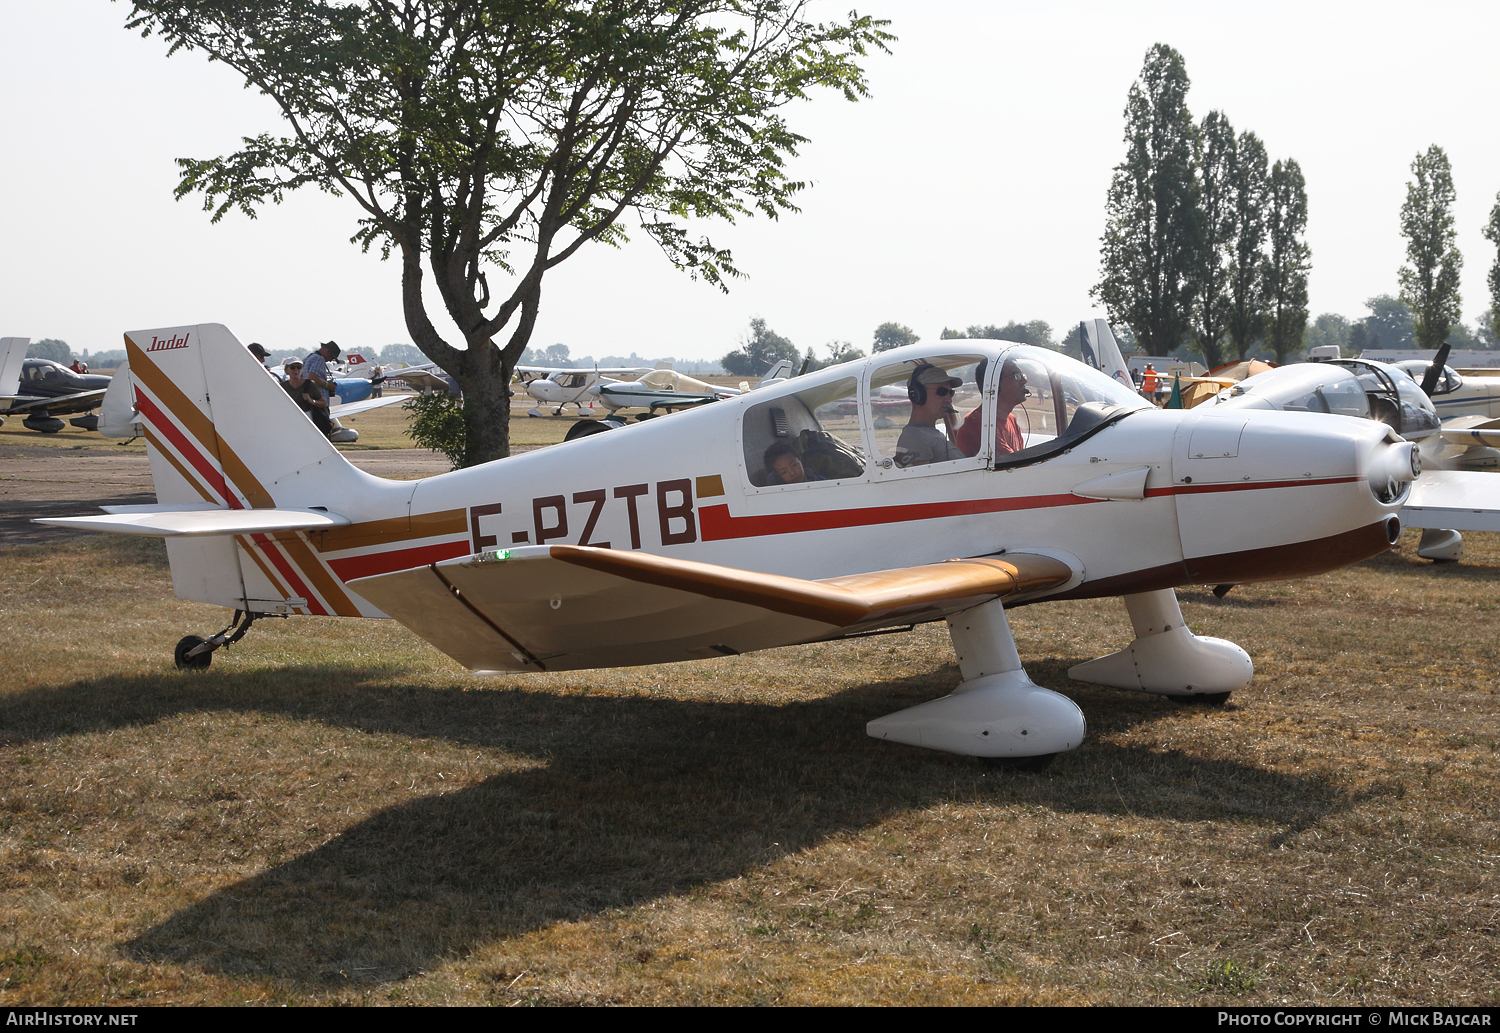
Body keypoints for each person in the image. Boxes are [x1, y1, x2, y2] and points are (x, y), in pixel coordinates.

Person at [894, 364, 966, 467]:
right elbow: (920, 482)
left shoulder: (930, 432)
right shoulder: (913, 436)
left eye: (951, 393)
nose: (949, 399)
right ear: (918, 394)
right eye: (941, 392)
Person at [955, 357, 1027, 457]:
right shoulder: (978, 423)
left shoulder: (1012, 419)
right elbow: (1011, 464)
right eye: (1016, 376)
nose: (1024, 381)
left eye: (1022, 376)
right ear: (994, 384)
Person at [282, 359, 333, 437]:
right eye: (292, 367)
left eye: (299, 367)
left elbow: (323, 403)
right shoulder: (282, 386)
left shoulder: (309, 384)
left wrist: (311, 401)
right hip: (289, 419)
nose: (296, 370)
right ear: (286, 370)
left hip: (307, 418)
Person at [301, 340, 341, 408]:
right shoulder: (319, 358)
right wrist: (328, 385)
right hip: (317, 404)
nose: (330, 360)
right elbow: (312, 377)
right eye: (332, 357)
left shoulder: (308, 358)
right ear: (328, 352)